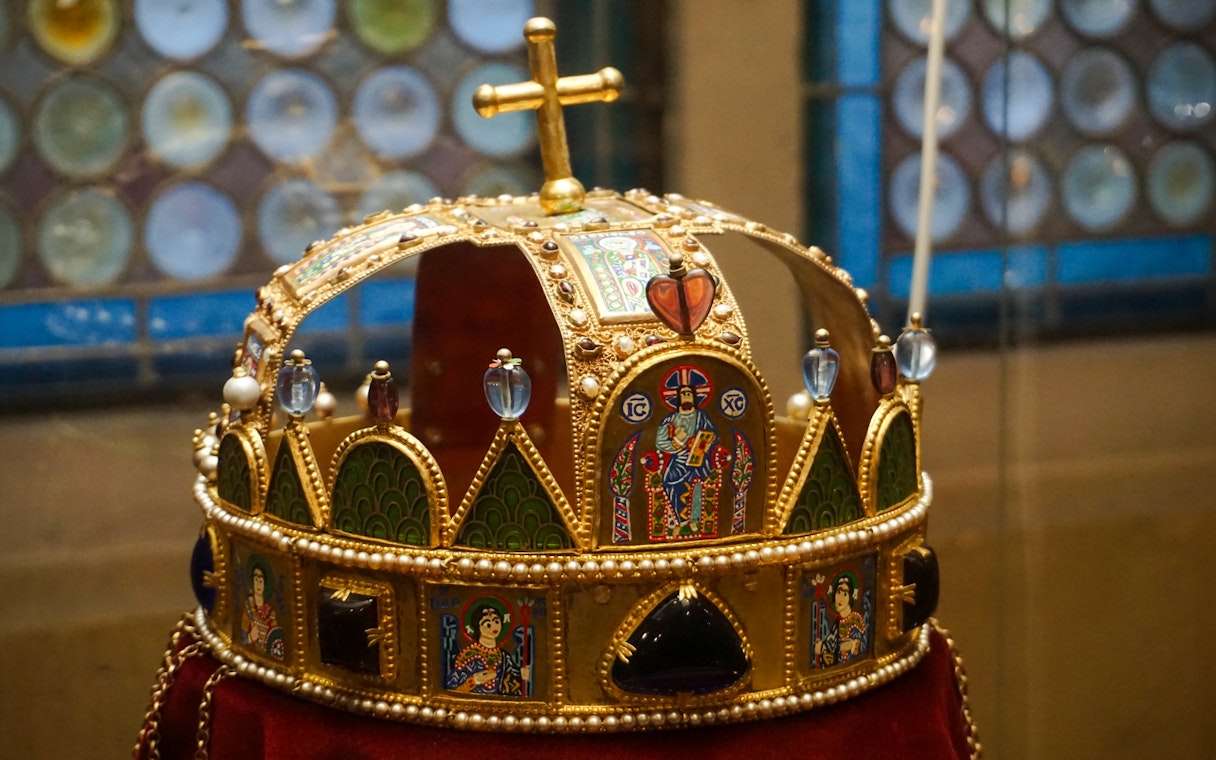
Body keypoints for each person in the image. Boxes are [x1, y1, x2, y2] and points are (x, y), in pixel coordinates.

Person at [655, 384, 718, 528]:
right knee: (668, 481)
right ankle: (679, 520)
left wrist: (707, 445)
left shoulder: (702, 417)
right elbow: (660, 441)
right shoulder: (671, 419)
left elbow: (714, 435)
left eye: (689, 393)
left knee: (698, 482)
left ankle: (695, 521)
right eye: (683, 393)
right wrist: (676, 443)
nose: (687, 396)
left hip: (699, 459)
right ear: (678, 397)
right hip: (679, 458)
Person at [446, 604, 531, 696]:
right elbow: (451, 690)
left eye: (496, 622)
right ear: (477, 627)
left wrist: (522, 674)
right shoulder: (467, 656)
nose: (494, 627)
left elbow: (513, 677)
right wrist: (474, 680)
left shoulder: (503, 656)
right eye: (488, 624)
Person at [814, 571, 868, 667]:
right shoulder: (837, 623)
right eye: (838, 592)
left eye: (845, 594)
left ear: (851, 598)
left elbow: (863, 645)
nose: (840, 598)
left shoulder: (855, 621)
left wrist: (853, 645)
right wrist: (821, 646)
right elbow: (832, 644)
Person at [240, 557, 284, 660]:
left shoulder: (270, 612)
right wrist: (250, 637)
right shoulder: (248, 608)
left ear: (265, 584)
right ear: (252, 581)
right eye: (256, 579)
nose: (258, 583)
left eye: (261, 580)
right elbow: (242, 637)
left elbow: (276, 638)